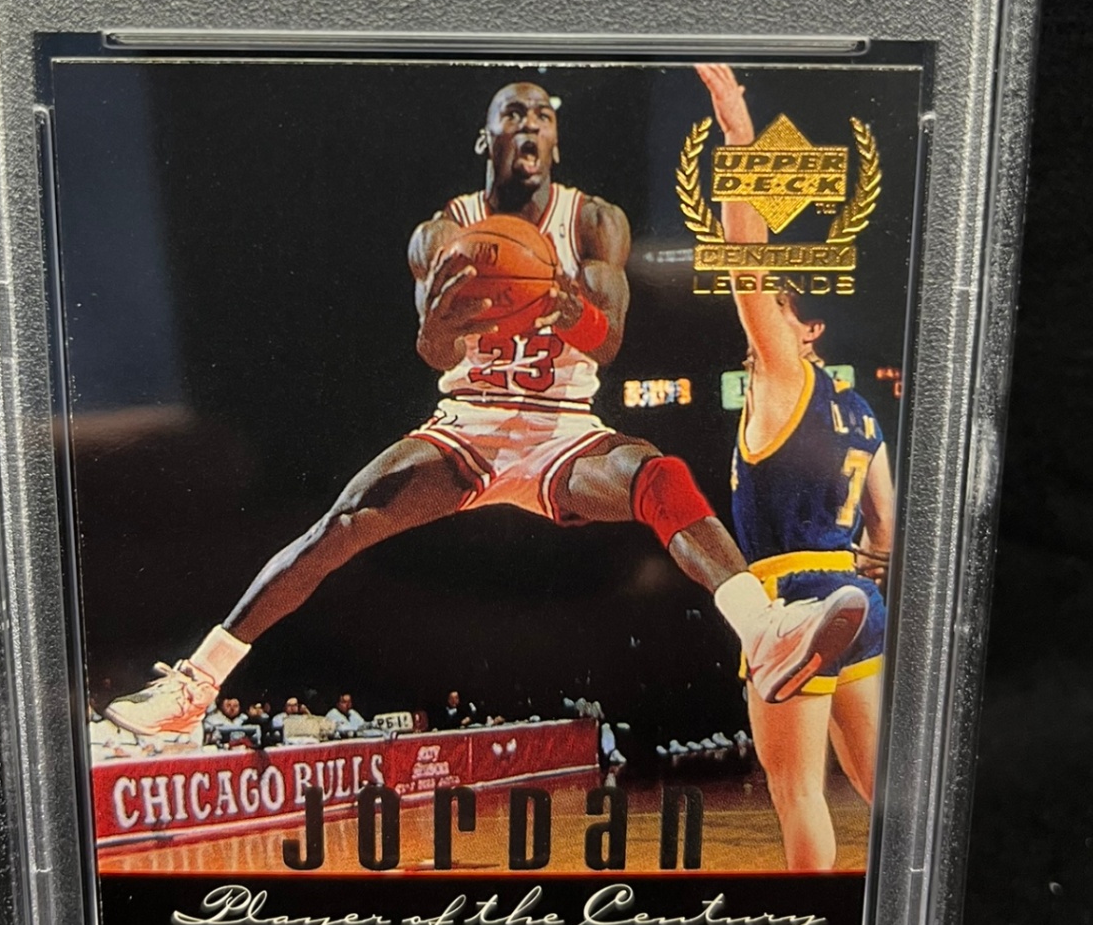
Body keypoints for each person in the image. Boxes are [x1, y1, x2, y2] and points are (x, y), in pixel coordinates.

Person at [105, 80, 866, 740]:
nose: (529, 125)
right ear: (487, 137)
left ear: (555, 142)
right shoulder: (442, 232)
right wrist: (443, 320)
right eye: (513, 114)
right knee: (339, 526)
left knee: (656, 476)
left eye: (542, 117)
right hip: (468, 423)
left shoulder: (592, 221)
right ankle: (193, 687)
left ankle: (765, 632)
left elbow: (607, 344)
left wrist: (567, 309)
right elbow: (435, 352)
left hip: (563, 430)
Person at [696, 64, 895, 872]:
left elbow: (743, 258)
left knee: (798, 795)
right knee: (882, 788)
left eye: (779, 309)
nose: (762, 317)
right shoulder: (864, 414)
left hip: (793, 601)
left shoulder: (784, 377)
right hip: (861, 600)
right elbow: (887, 529)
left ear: (806, 331)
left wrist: (739, 138)